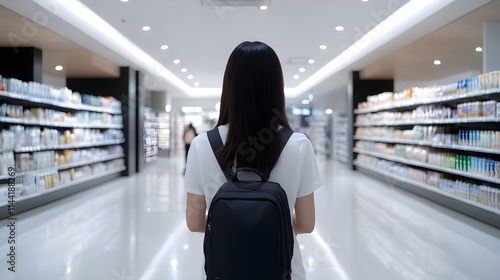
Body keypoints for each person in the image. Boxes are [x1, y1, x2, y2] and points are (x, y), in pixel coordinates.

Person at [184, 41, 322, 280]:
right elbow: (307, 224)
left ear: (228, 87)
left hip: (222, 270)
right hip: (284, 270)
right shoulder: (298, 144)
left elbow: (195, 222)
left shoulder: (202, 144)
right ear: (277, 88)